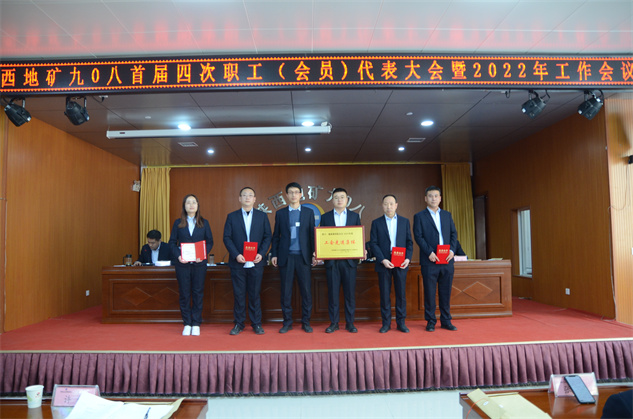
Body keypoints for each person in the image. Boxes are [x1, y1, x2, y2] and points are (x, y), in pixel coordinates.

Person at [223, 187, 272, 336]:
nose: (247, 197)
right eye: (244, 195)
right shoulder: (232, 217)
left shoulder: (262, 216)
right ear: (240, 198)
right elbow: (227, 238)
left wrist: (261, 254)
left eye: (250, 195)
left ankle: (256, 323)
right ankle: (239, 323)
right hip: (238, 262)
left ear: (255, 199)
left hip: (256, 262)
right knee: (239, 295)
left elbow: (267, 237)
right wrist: (236, 254)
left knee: (255, 294)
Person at [271, 182, 316, 333]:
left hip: (304, 257)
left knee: (306, 292)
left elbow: (312, 235)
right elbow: (276, 236)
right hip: (286, 257)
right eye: (290, 192)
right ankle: (287, 322)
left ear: (301, 194)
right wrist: (274, 254)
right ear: (286, 195)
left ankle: (306, 322)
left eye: (296, 192)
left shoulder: (308, 212)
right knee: (286, 292)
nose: (293, 195)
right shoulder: (281, 213)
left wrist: (315, 253)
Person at [413, 186, 458, 332]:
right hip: (430, 260)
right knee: (430, 292)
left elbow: (453, 234)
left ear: (440, 198)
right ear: (425, 198)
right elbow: (418, 237)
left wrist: (452, 250)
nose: (433, 198)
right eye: (430, 196)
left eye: (436, 196)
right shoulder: (419, 216)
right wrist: (429, 252)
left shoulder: (447, 215)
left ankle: (446, 320)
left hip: (447, 260)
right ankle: (430, 321)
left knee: (446, 292)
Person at [168, 194, 213, 336]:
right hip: (183, 264)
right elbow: (171, 243)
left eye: (194, 202)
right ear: (184, 206)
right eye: (188, 202)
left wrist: (203, 254)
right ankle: (187, 323)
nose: (191, 205)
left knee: (198, 293)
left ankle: (196, 323)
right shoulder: (178, 223)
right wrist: (178, 256)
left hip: (199, 264)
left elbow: (210, 242)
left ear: (198, 205)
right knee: (184, 293)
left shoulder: (204, 223)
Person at [319, 188, 362, 333]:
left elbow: (358, 237)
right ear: (332, 200)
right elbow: (322, 238)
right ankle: (334, 323)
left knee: (350, 294)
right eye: (336, 197)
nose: (339, 200)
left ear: (347, 199)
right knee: (333, 294)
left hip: (349, 262)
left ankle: (350, 323)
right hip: (332, 262)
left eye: (342, 197)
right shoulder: (325, 217)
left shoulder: (354, 216)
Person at [369, 194, 413, 333]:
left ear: (396, 205)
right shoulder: (376, 223)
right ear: (382, 206)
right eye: (386, 204)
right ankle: (386, 323)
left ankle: (401, 323)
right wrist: (382, 259)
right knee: (384, 294)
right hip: (384, 262)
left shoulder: (404, 222)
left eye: (391, 204)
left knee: (401, 295)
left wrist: (408, 258)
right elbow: (373, 244)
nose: (389, 206)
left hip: (401, 262)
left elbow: (409, 242)